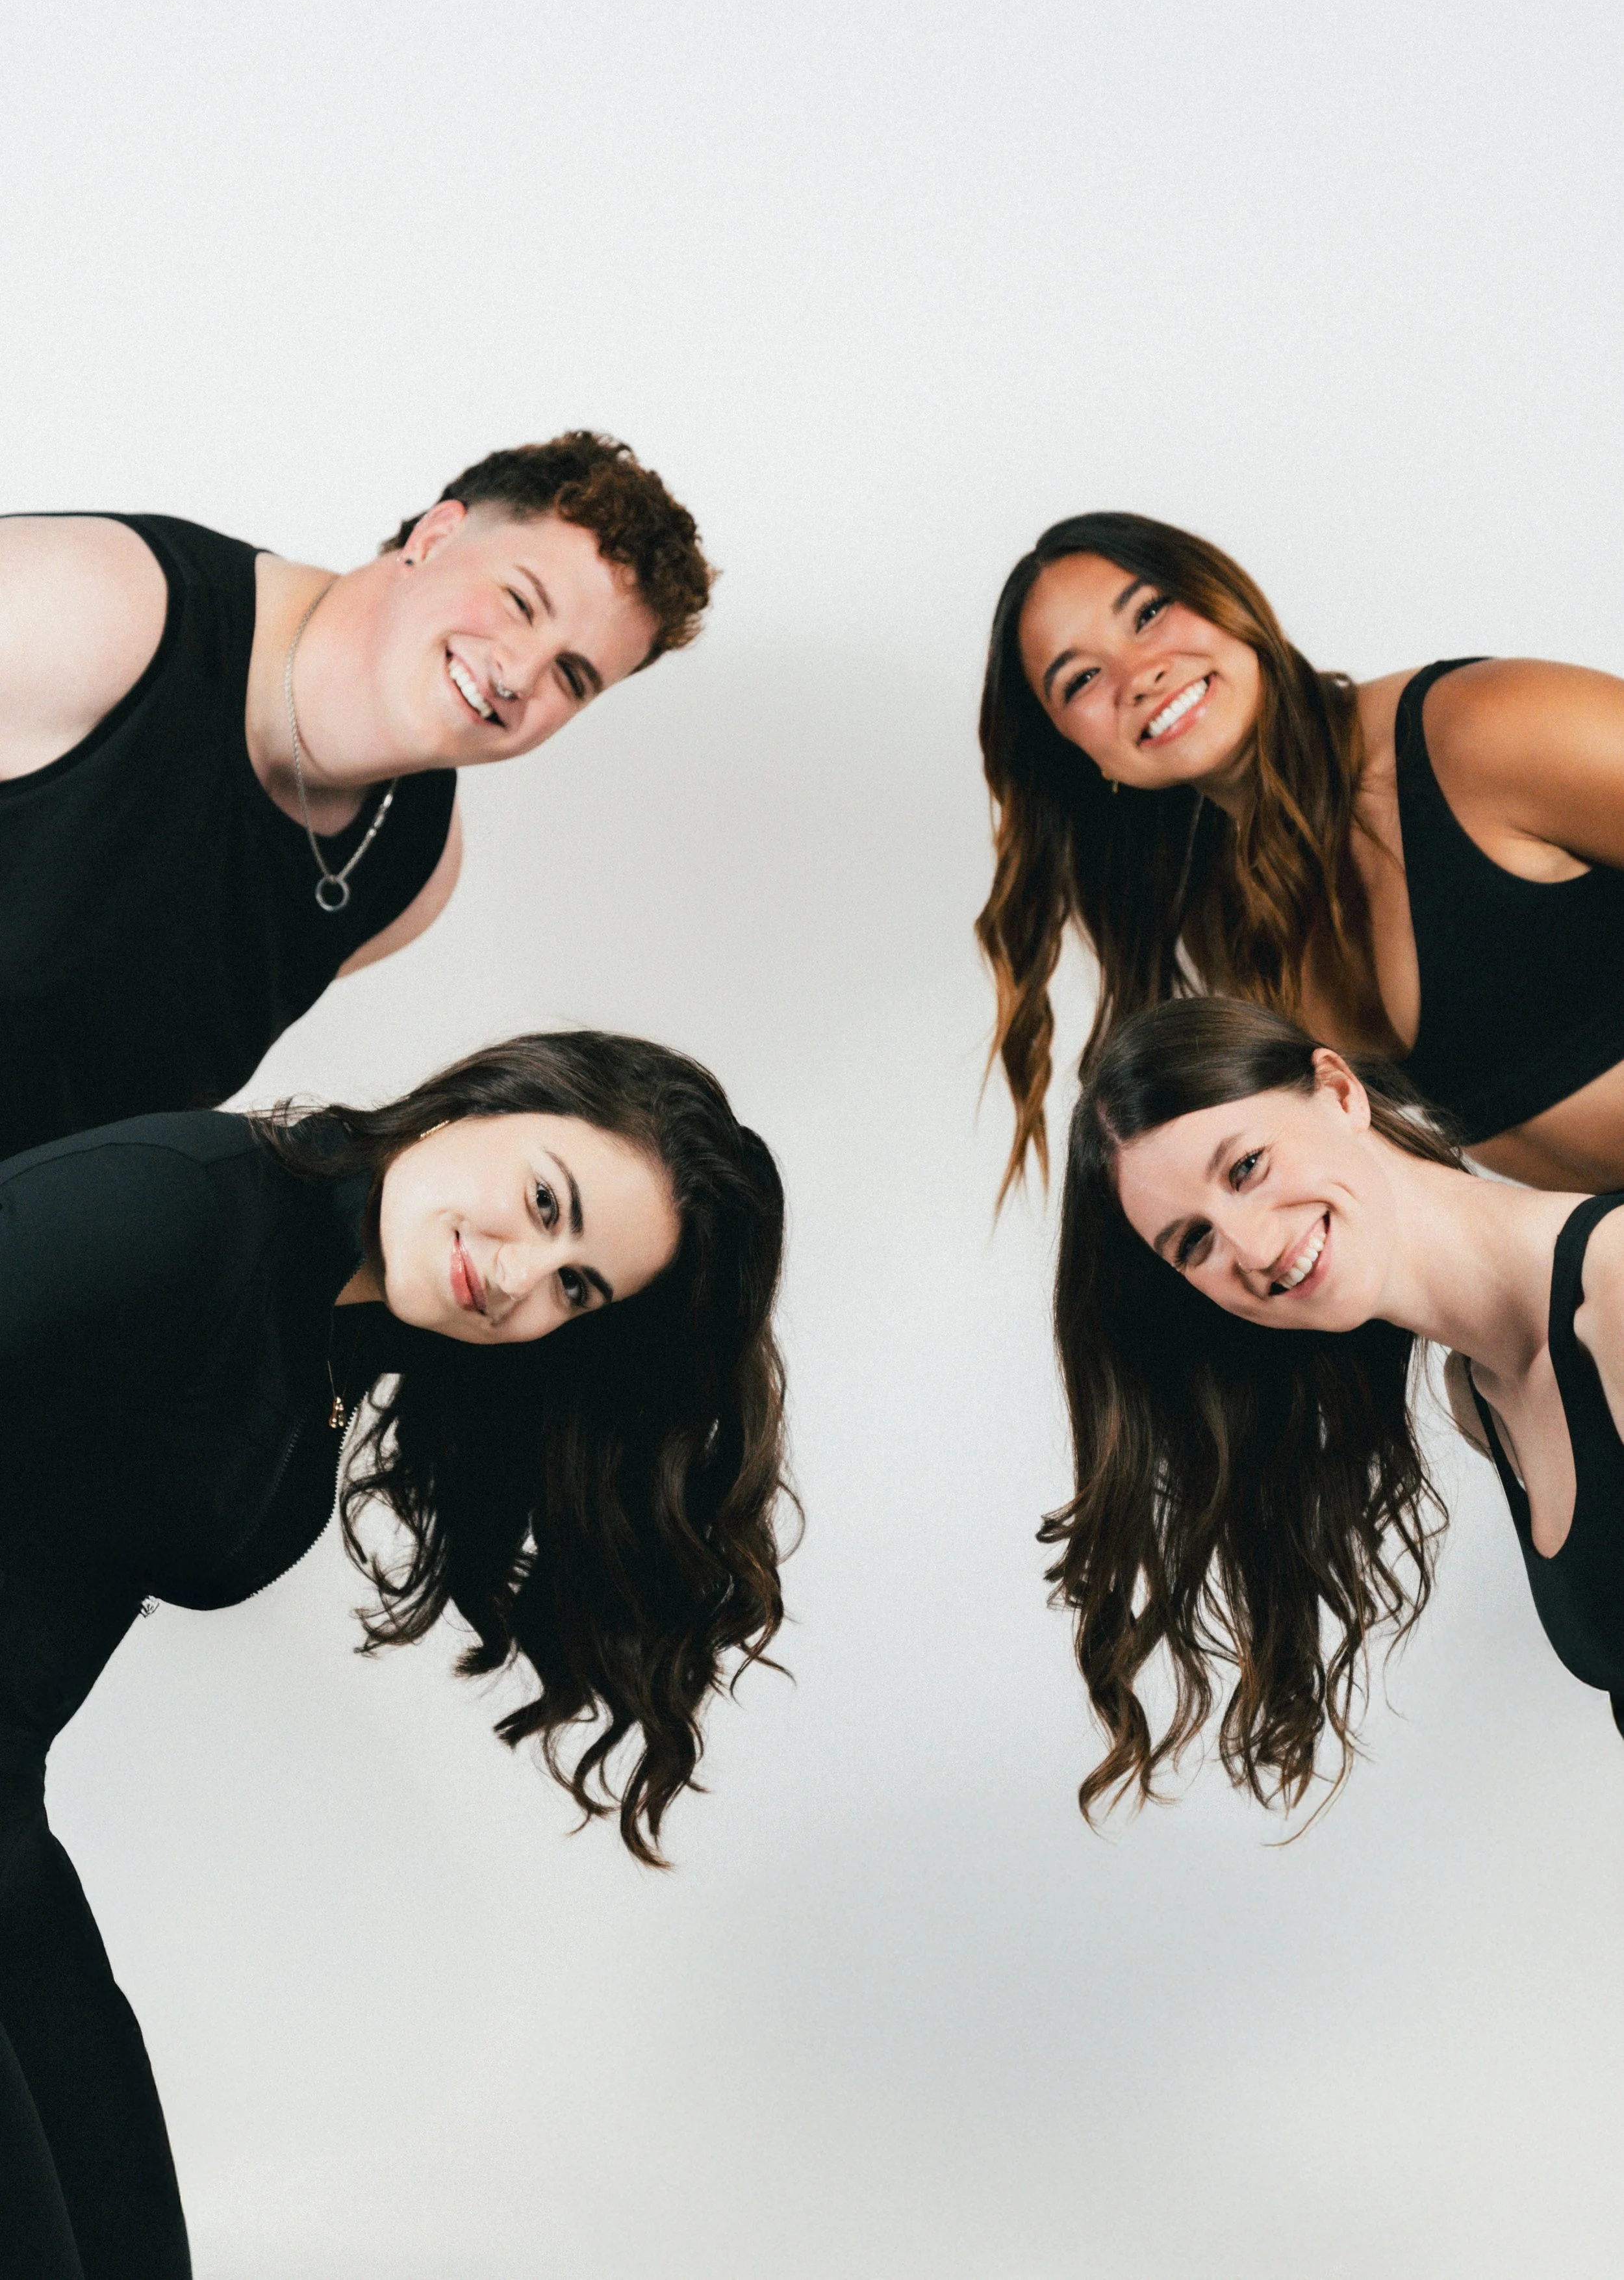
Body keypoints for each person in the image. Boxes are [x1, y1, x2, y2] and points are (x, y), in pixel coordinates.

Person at [0, 1030, 789, 2278]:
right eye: (546, 1201)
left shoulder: (342, 1315)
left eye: (578, 1287)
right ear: (485, 1099)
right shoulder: (181, 1204)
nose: (521, 1275)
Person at [0, 432, 713, 1160]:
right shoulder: (99, 605)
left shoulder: (417, 869)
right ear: (434, 538)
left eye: (571, 676)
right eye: (521, 601)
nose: (519, 673)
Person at [1048, 994, 1624, 1831]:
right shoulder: (1483, 1396)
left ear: (1341, 1091)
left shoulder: (1614, 1291)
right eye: (1194, 1242)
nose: (1251, 1248)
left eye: (1246, 1166)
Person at [977, 510, 1624, 1200]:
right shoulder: (1229, 917)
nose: (1139, 675)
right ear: (1079, 754)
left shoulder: (1478, 727)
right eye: (1080, 679)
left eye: (1149, 613)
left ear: (1224, 593)